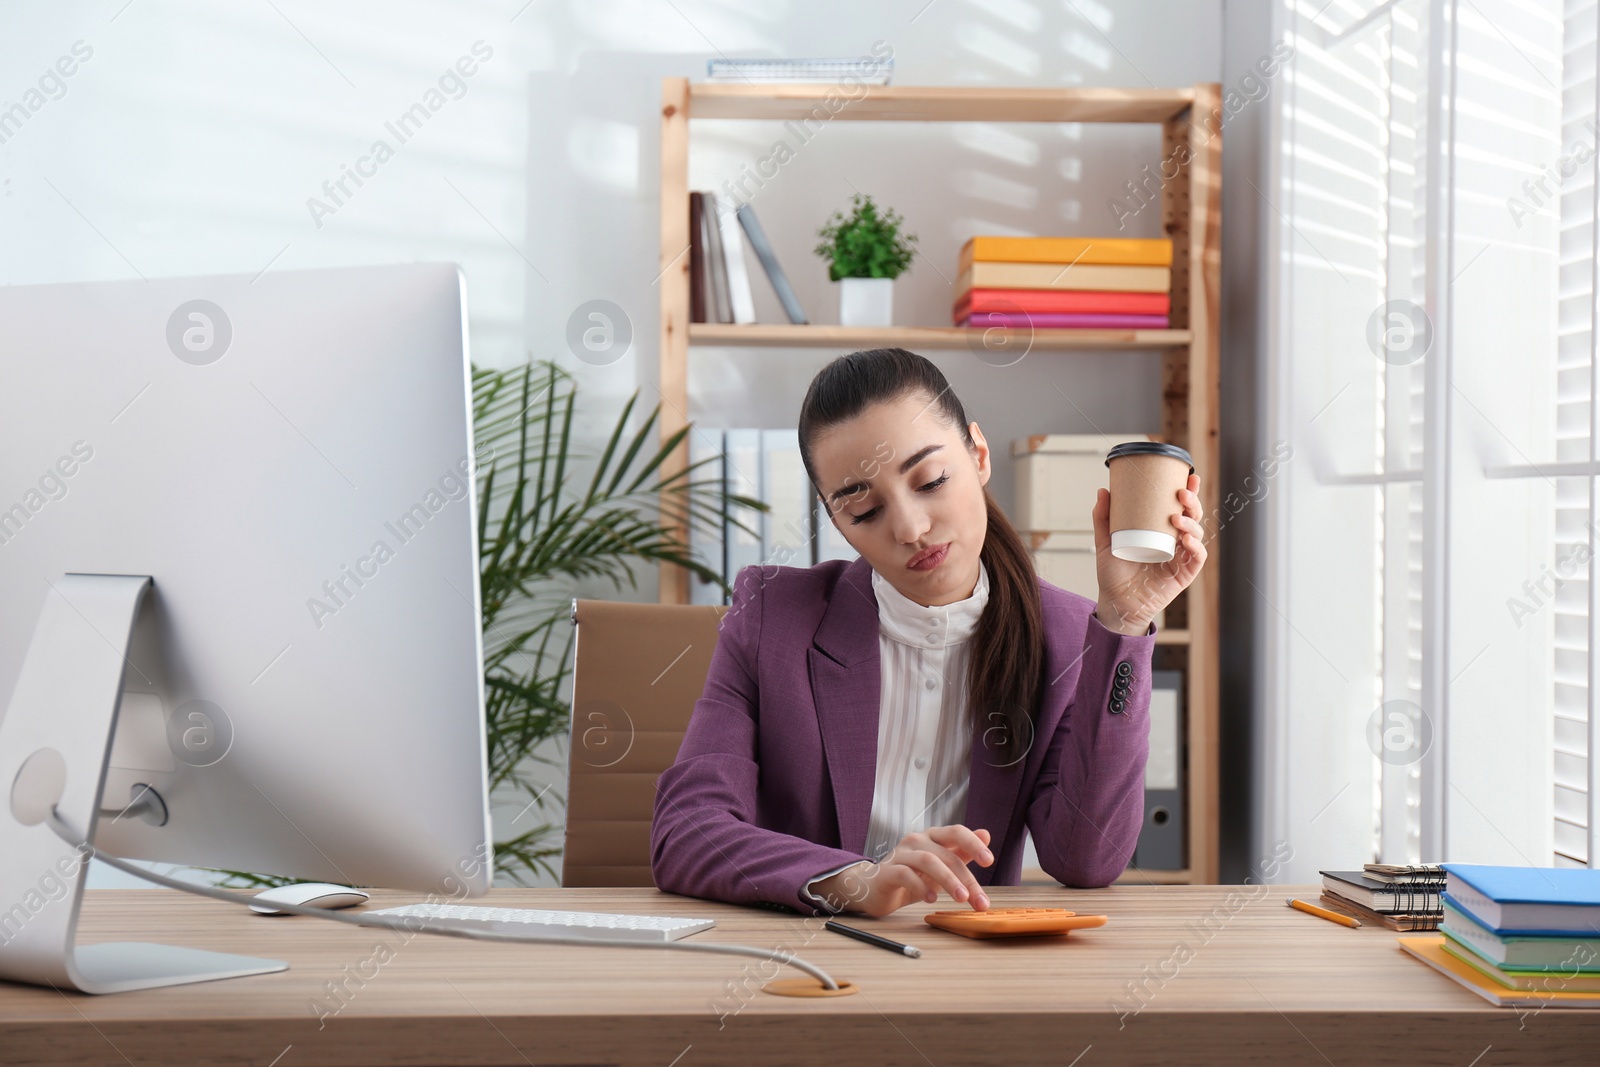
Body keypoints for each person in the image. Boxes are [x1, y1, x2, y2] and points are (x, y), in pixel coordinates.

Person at [650, 348, 1205, 918]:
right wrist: (856, 882)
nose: (912, 528)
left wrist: (1126, 618)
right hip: (809, 956)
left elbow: (1086, 860)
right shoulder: (773, 617)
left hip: (973, 963)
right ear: (834, 519)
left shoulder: (1062, 636)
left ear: (979, 454)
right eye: (863, 511)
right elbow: (687, 833)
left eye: (932, 480)